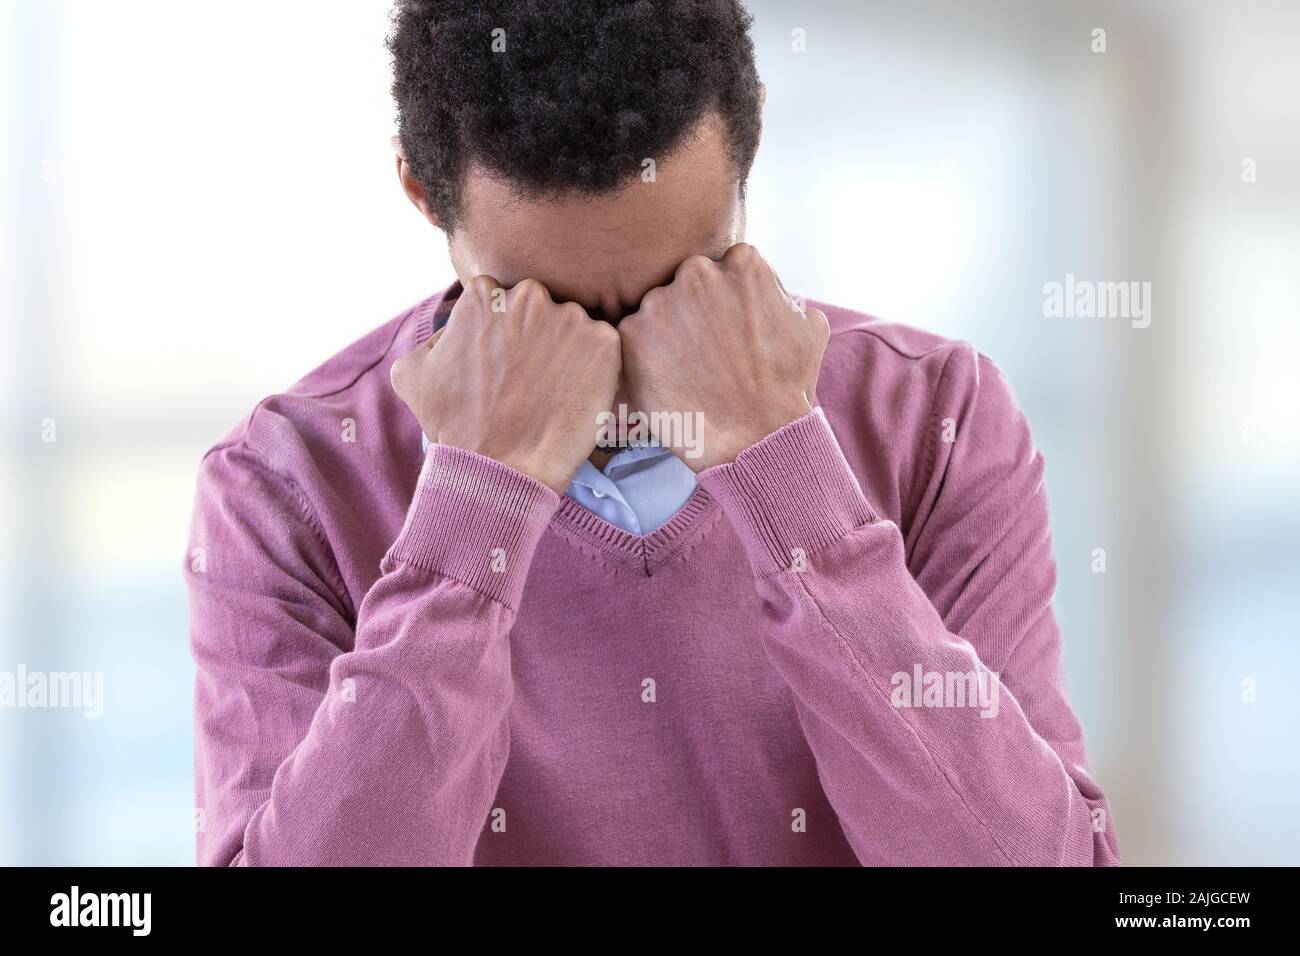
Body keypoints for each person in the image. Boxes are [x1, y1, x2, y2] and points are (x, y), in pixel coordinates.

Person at [186, 0, 1120, 866]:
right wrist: (478, 507)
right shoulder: (287, 486)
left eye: (682, 285)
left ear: (752, 135)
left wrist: (782, 464)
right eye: (539, 308)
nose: (618, 362)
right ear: (422, 192)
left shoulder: (936, 418)